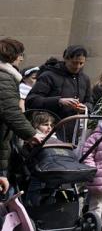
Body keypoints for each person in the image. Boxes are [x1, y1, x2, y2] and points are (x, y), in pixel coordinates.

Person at [25, 44, 92, 139]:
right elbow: (32, 100)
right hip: (50, 129)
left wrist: (85, 108)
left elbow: (90, 102)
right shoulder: (49, 76)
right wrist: (59, 101)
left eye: (81, 63)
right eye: (74, 63)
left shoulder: (85, 79)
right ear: (66, 59)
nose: (77, 66)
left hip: (73, 131)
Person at [0, 38, 37, 196]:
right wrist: (32, 134)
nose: (22, 59)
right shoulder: (4, 78)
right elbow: (11, 112)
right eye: (20, 54)